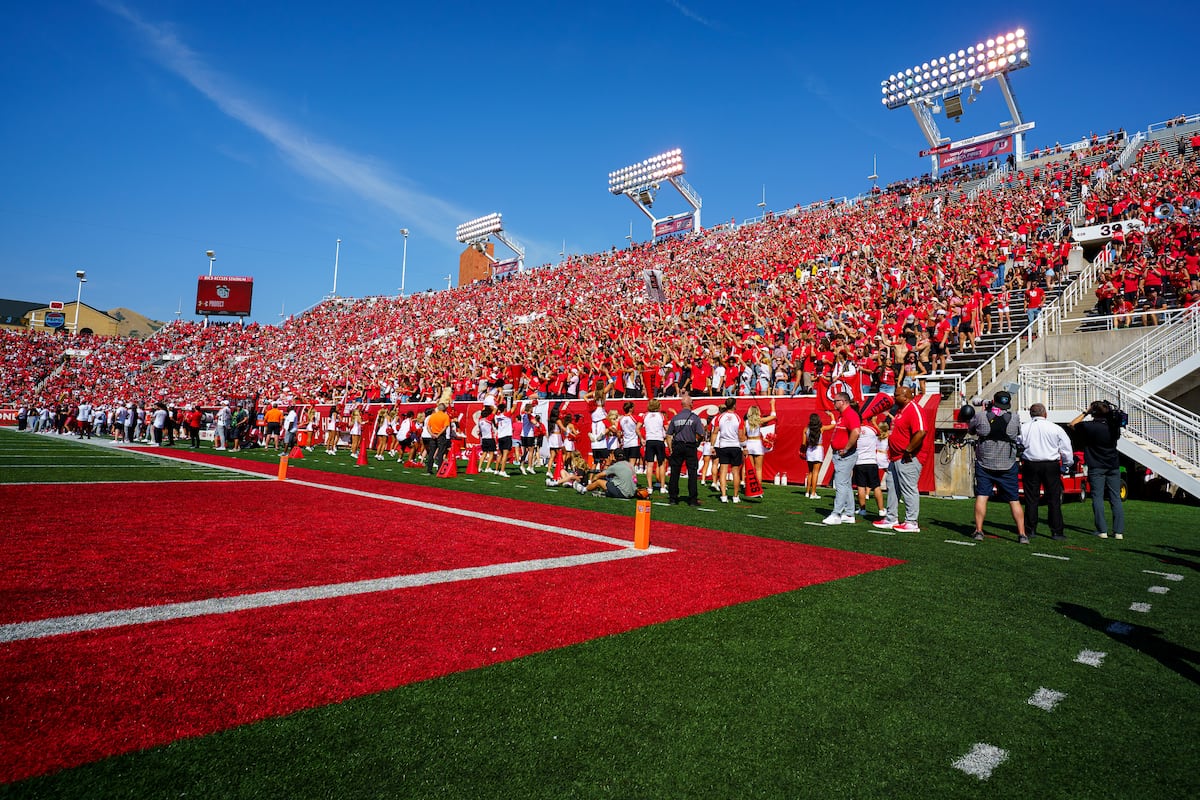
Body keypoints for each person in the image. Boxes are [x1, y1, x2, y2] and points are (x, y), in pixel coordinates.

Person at [967, 390, 1026, 543]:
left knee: (982, 496)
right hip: (1007, 463)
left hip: (985, 463)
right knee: (1014, 499)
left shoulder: (981, 416)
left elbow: (971, 430)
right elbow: (1016, 434)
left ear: (993, 402)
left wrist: (984, 412)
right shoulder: (1014, 418)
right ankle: (1022, 534)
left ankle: (979, 531)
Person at [1069, 400, 1125, 540]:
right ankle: (1118, 532)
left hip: (1096, 465)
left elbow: (1072, 424)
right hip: (1112, 464)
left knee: (1097, 498)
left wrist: (1085, 412)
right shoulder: (1113, 427)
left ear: (1093, 412)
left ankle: (1102, 530)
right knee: (1115, 498)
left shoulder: (1089, 426)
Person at [874, 385, 926, 533]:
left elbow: (921, 432)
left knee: (909, 488)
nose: (893, 397)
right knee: (892, 486)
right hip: (896, 457)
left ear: (905, 396)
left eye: (896, 395)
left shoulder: (914, 409)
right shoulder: (899, 411)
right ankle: (891, 518)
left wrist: (908, 450)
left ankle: (911, 521)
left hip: (909, 457)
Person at [1020, 403, 1074, 541]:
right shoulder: (1055, 428)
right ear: (1045, 414)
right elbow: (1066, 448)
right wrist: (1067, 464)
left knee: (1031, 498)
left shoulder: (1024, 428)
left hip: (1031, 464)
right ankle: (1056, 531)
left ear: (1031, 414)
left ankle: (1030, 529)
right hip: (1051, 465)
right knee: (1053, 499)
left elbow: (1018, 444)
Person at [824, 392, 861, 525]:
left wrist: (846, 449)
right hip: (841, 455)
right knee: (845, 484)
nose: (834, 403)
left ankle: (836, 513)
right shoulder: (843, 415)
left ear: (843, 401)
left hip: (845, 455)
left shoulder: (850, 414)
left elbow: (856, 432)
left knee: (840, 484)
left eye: (836, 401)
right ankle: (850, 513)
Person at [665, 392, 706, 506]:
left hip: (677, 446)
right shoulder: (695, 418)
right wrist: (697, 443)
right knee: (692, 473)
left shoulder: (676, 418)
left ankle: (673, 498)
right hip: (690, 446)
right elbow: (701, 433)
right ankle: (692, 499)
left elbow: (668, 435)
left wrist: (670, 448)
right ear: (690, 404)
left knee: (675, 472)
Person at [711, 396, 745, 503]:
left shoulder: (720, 417)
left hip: (724, 446)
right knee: (735, 472)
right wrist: (744, 446)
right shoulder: (738, 418)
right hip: (735, 446)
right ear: (734, 405)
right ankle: (735, 496)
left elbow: (715, 432)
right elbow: (741, 435)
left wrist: (712, 446)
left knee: (723, 471)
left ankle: (724, 496)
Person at [743, 399, 777, 493]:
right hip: (757, 444)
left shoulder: (745, 422)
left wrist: (743, 446)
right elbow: (773, 416)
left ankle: (749, 488)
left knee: (750, 469)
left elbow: (743, 435)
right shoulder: (759, 420)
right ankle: (758, 489)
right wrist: (772, 404)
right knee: (758, 469)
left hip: (749, 443)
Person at [641, 397, 669, 495]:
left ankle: (649, 487)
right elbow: (667, 428)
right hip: (659, 440)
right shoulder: (661, 416)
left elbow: (637, 428)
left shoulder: (645, 415)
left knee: (649, 465)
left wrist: (641, 438)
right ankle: (662, 487)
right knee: (661, 464)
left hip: (649, 440)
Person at [425, 402, 451, 475]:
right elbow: (445, 427)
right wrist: (438, 434)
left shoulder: (433, 416)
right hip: (441, 436)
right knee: (441, 453)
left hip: (433, 435)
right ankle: (440, 469)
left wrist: (432, 434)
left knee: (431, 453)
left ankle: (429, 469)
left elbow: (428, 427)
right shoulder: (445, 416)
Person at [803, 413, 824, 499]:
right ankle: (813, 493)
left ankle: (807, 492)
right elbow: (833, 425)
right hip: (818, 450)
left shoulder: (806, 429)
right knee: (816, 472)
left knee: (810, 472)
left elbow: (803, 443)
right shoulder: (821, 428)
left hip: (809, 450)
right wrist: (832, 416)